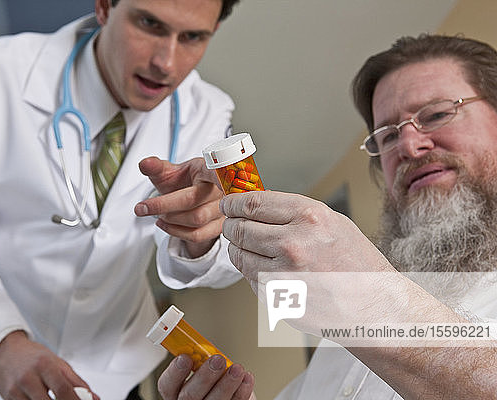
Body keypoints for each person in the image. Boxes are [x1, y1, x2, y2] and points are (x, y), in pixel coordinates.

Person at [0, 0, 244, 399]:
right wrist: (0, 346)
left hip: (104, 373)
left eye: (192, 37)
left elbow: (222, 259)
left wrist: (201, 234)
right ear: (103, 7)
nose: (166, 62)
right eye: (149, 24)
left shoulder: (210, 113)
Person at [157, 34, 497, 399]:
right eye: (387, 136)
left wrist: (370, 299)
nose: (410, 147)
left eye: (437, 114)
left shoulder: (360, 304)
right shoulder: (341, 333)